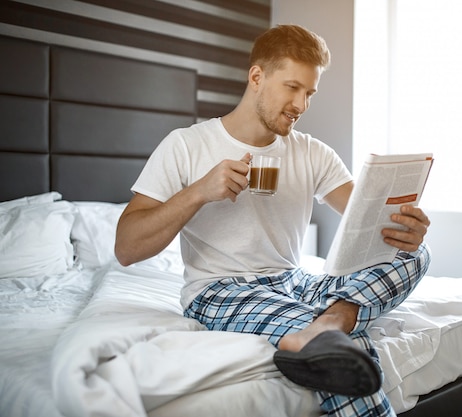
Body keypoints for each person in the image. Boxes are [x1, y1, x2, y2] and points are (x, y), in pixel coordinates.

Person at [115, 24, 431, 417]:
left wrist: (404, 228)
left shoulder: (313, 152)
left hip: (293, 281)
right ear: (257, 77)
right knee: (343, 357)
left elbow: (369, 222)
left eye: (310, 93)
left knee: (414, 254)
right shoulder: (186, 145)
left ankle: (332, 320)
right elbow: (126, 248)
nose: (302, 104)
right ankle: (328, 331)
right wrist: (198, 191)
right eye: (293, 87)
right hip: (220, 290)